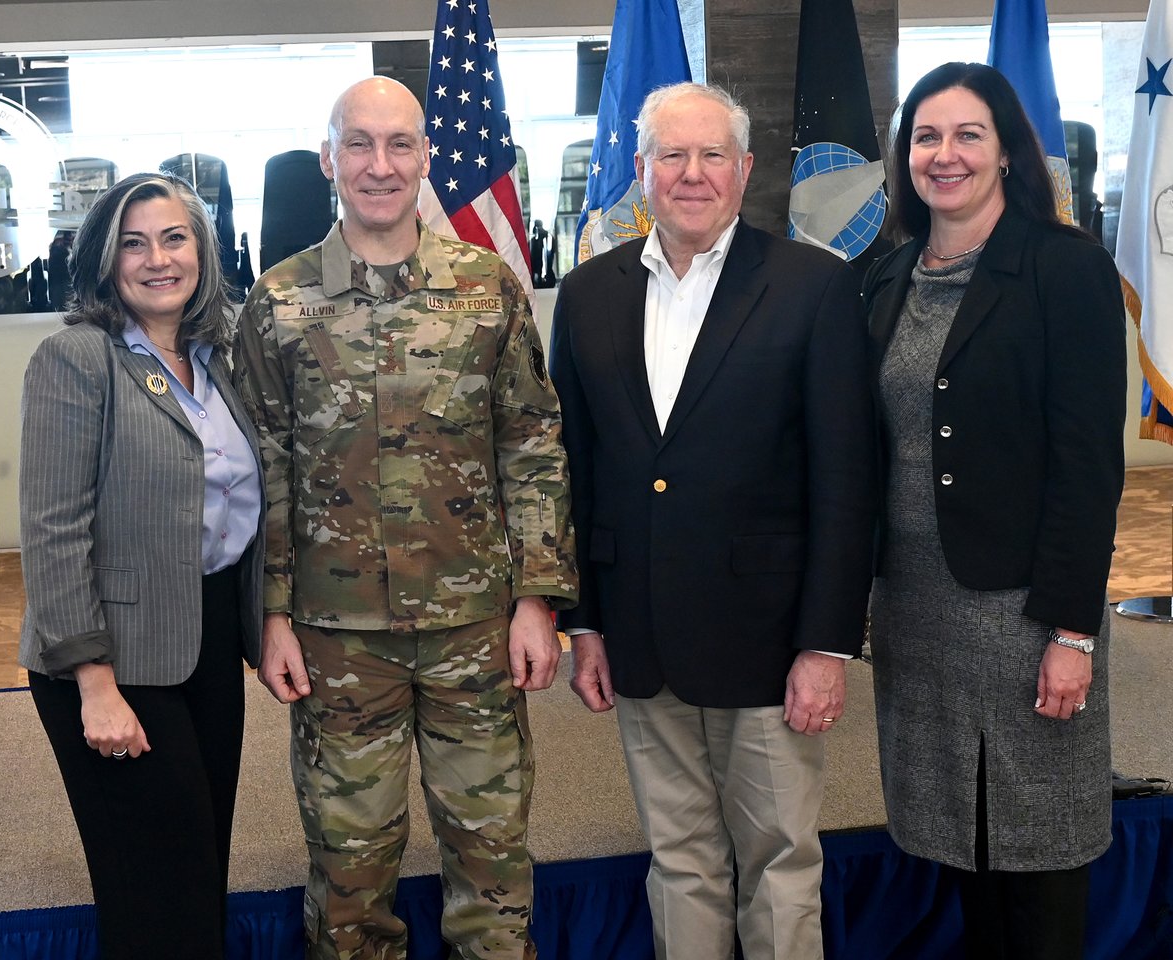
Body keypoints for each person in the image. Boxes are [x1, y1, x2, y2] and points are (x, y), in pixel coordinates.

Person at [233, 76, 577, 960]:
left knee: (492, 863)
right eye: (359, 144)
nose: (379, 165)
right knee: (349, 874)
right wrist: (267, 614)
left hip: (475, 629)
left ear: (425, 157)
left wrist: (538, 597)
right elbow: (259, 466)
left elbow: (532, 443)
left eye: (398, 145)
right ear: (328, 159)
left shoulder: (484, 286)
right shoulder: (278, 302)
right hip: (334, 636)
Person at [548, 81, 876, 960]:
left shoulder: (814, 288)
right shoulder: (585, 296)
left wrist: (826, 645)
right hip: (639, 633)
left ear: (745, 169)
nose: (692, 174)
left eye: (713, 155)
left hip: (771, 642)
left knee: (779, 862)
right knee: (679, 860)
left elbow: (847, 481)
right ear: (642, 170)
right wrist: (584, 621)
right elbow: (573, 473)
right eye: (672, 156)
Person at [863, 62, 1127, 959]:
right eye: (926, 137)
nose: (945, 155)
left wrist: (1071, 631)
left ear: (1008, 151)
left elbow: (1088, 466)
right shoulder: (887, 276)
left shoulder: (1065, 268)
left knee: (1039, 844)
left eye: (968, 135)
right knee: (961, 841)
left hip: (1025, 610)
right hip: (917, 609)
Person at [18, 171, 264, 960]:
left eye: (174, 237)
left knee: (200, 867)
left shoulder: (215, 359)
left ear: (201, 251)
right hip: (112, 658)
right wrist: (93, 682)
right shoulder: (76, 359)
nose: (157, 259)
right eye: (134, 243)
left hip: (209, 638)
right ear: (104, 258)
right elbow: (53, 530)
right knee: (155, 891)